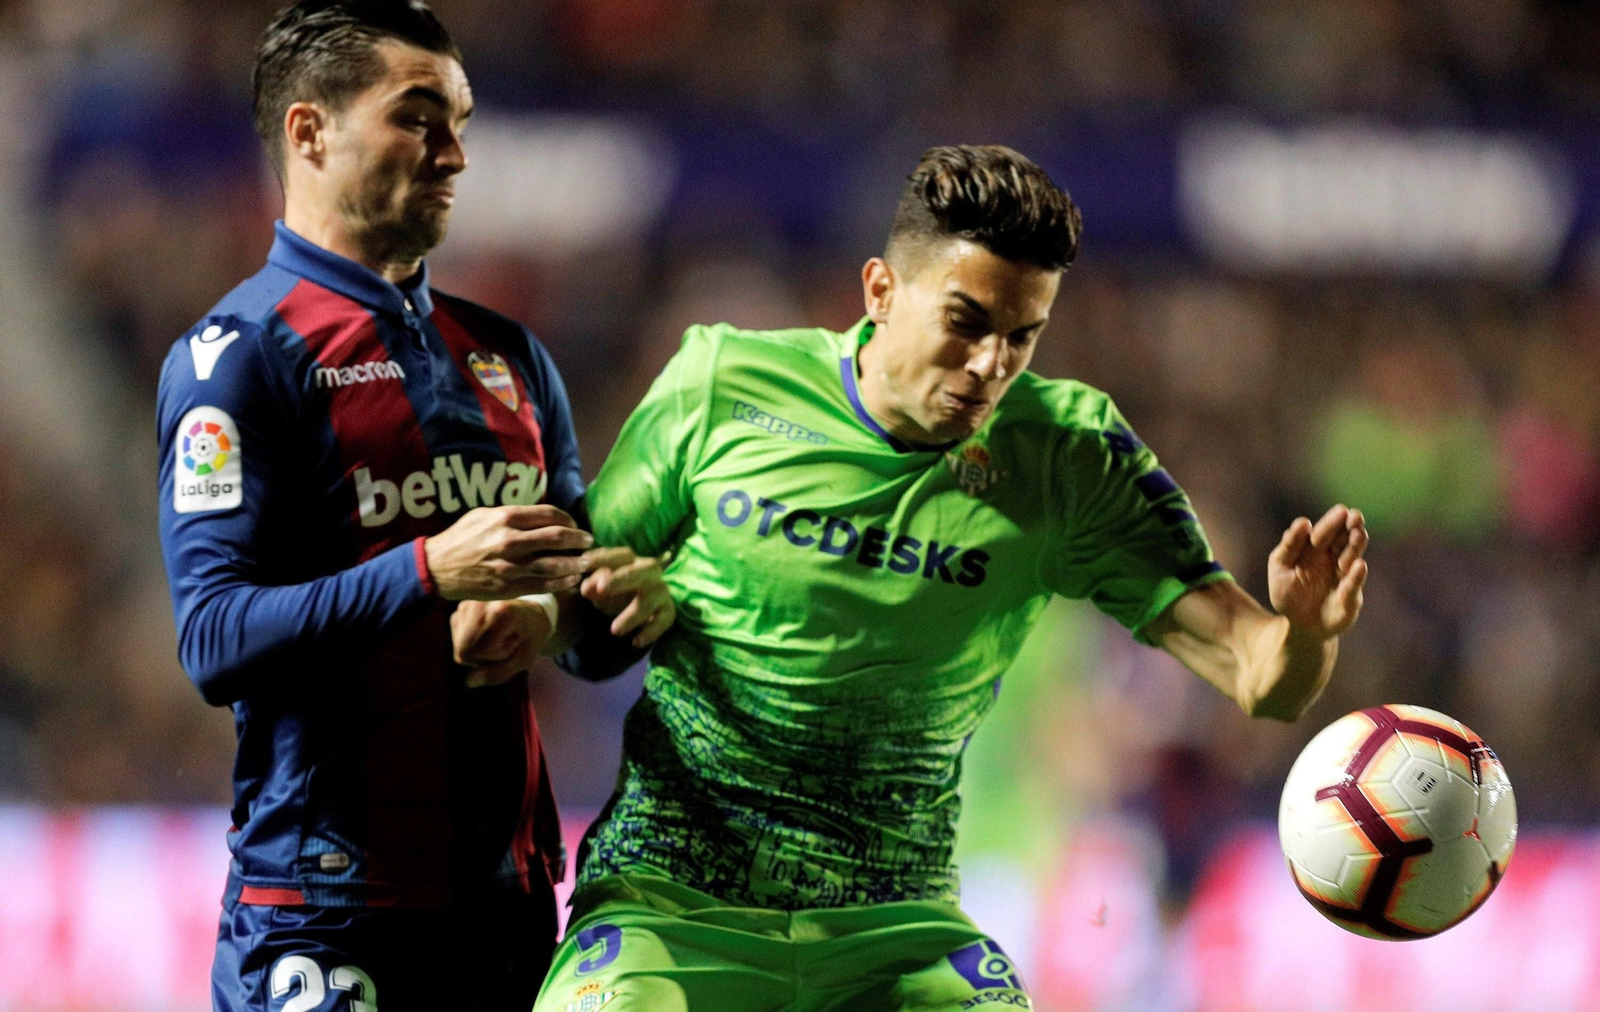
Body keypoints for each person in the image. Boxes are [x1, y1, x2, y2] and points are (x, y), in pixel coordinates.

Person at [518, 145, 1369, 1012]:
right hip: (670, 908)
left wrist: (1307, 631)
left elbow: (1263, 680)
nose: (990, 365)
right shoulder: (720, 383)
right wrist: (605, 607)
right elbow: (573, 629)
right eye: (966, 322)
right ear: (881, 290)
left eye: (1022, 336)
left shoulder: (1069, 455)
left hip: (900, 931)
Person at [155, 3, 673, 1010]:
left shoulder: (512, 359)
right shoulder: (238, 358)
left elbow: (573, 629)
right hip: (325, 907)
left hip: (508, 904)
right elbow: (212, 638)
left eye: (461, 122)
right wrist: (430, 570)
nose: (455, 154)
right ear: (310, 131)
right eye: (419, 118)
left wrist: (606, 609)